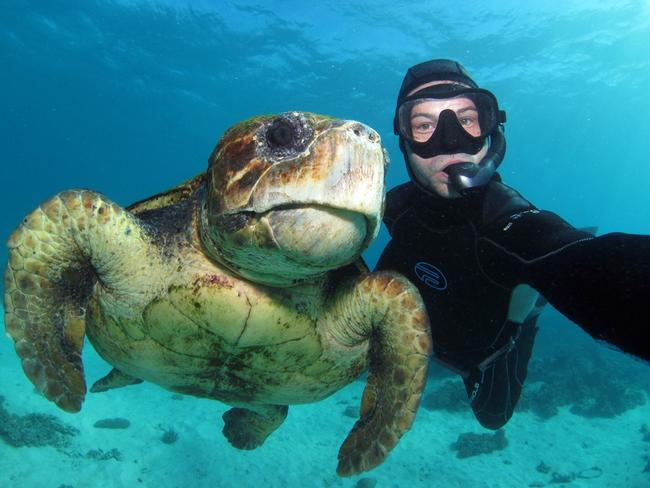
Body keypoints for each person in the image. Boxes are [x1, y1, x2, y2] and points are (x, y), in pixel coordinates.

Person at [376, 59, 650, 429]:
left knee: (492, 417)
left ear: (493, 131)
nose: (451, 139)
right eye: (424, 125)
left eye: (468, 119)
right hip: (422, 338)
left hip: (483, 357)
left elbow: (585, 262)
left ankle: (530, 304)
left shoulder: (509, 223)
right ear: (404, 141)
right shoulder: (392, 207)